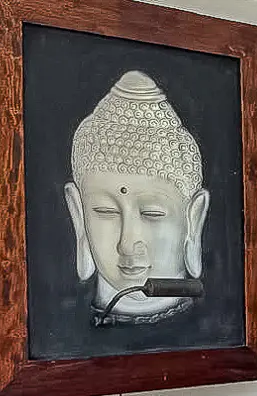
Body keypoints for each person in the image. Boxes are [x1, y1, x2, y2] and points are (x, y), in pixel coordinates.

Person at [64, 70, 209, 326]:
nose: (128, 244)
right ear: (78, 214)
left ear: (193, 219)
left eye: (152, 213)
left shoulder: (220, 331)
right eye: (106, 211)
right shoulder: (57, 330)